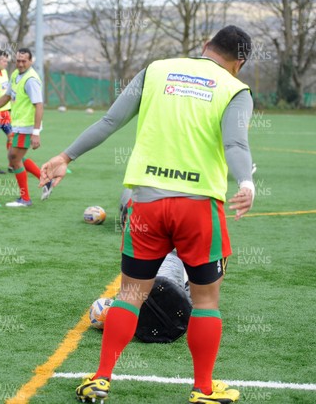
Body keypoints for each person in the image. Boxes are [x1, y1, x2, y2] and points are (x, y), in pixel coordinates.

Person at [40, 25, 255, 403]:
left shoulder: (156, 70)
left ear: (204, 45)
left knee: (128, 294)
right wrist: (246, 183)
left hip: (146, 205)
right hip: (198, 207)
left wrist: (63, 157)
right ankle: (203, 389)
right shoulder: (234, 89)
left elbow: (109, 122)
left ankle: (101, 379)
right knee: (205, 300)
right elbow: (235, 142)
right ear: (240, 62)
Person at [0, 48, 52, 206]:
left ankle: (25, 199)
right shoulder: (16, 74)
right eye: (18, 60)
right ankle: (45, 180)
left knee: (13, 158)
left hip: (27, 127)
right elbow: (6, 96)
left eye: (24, 61)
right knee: (17, 157)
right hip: (18, 125)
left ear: (31, 62)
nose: (21, 63)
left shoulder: (31, 80)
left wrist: (36, 133)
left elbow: (39, 106)